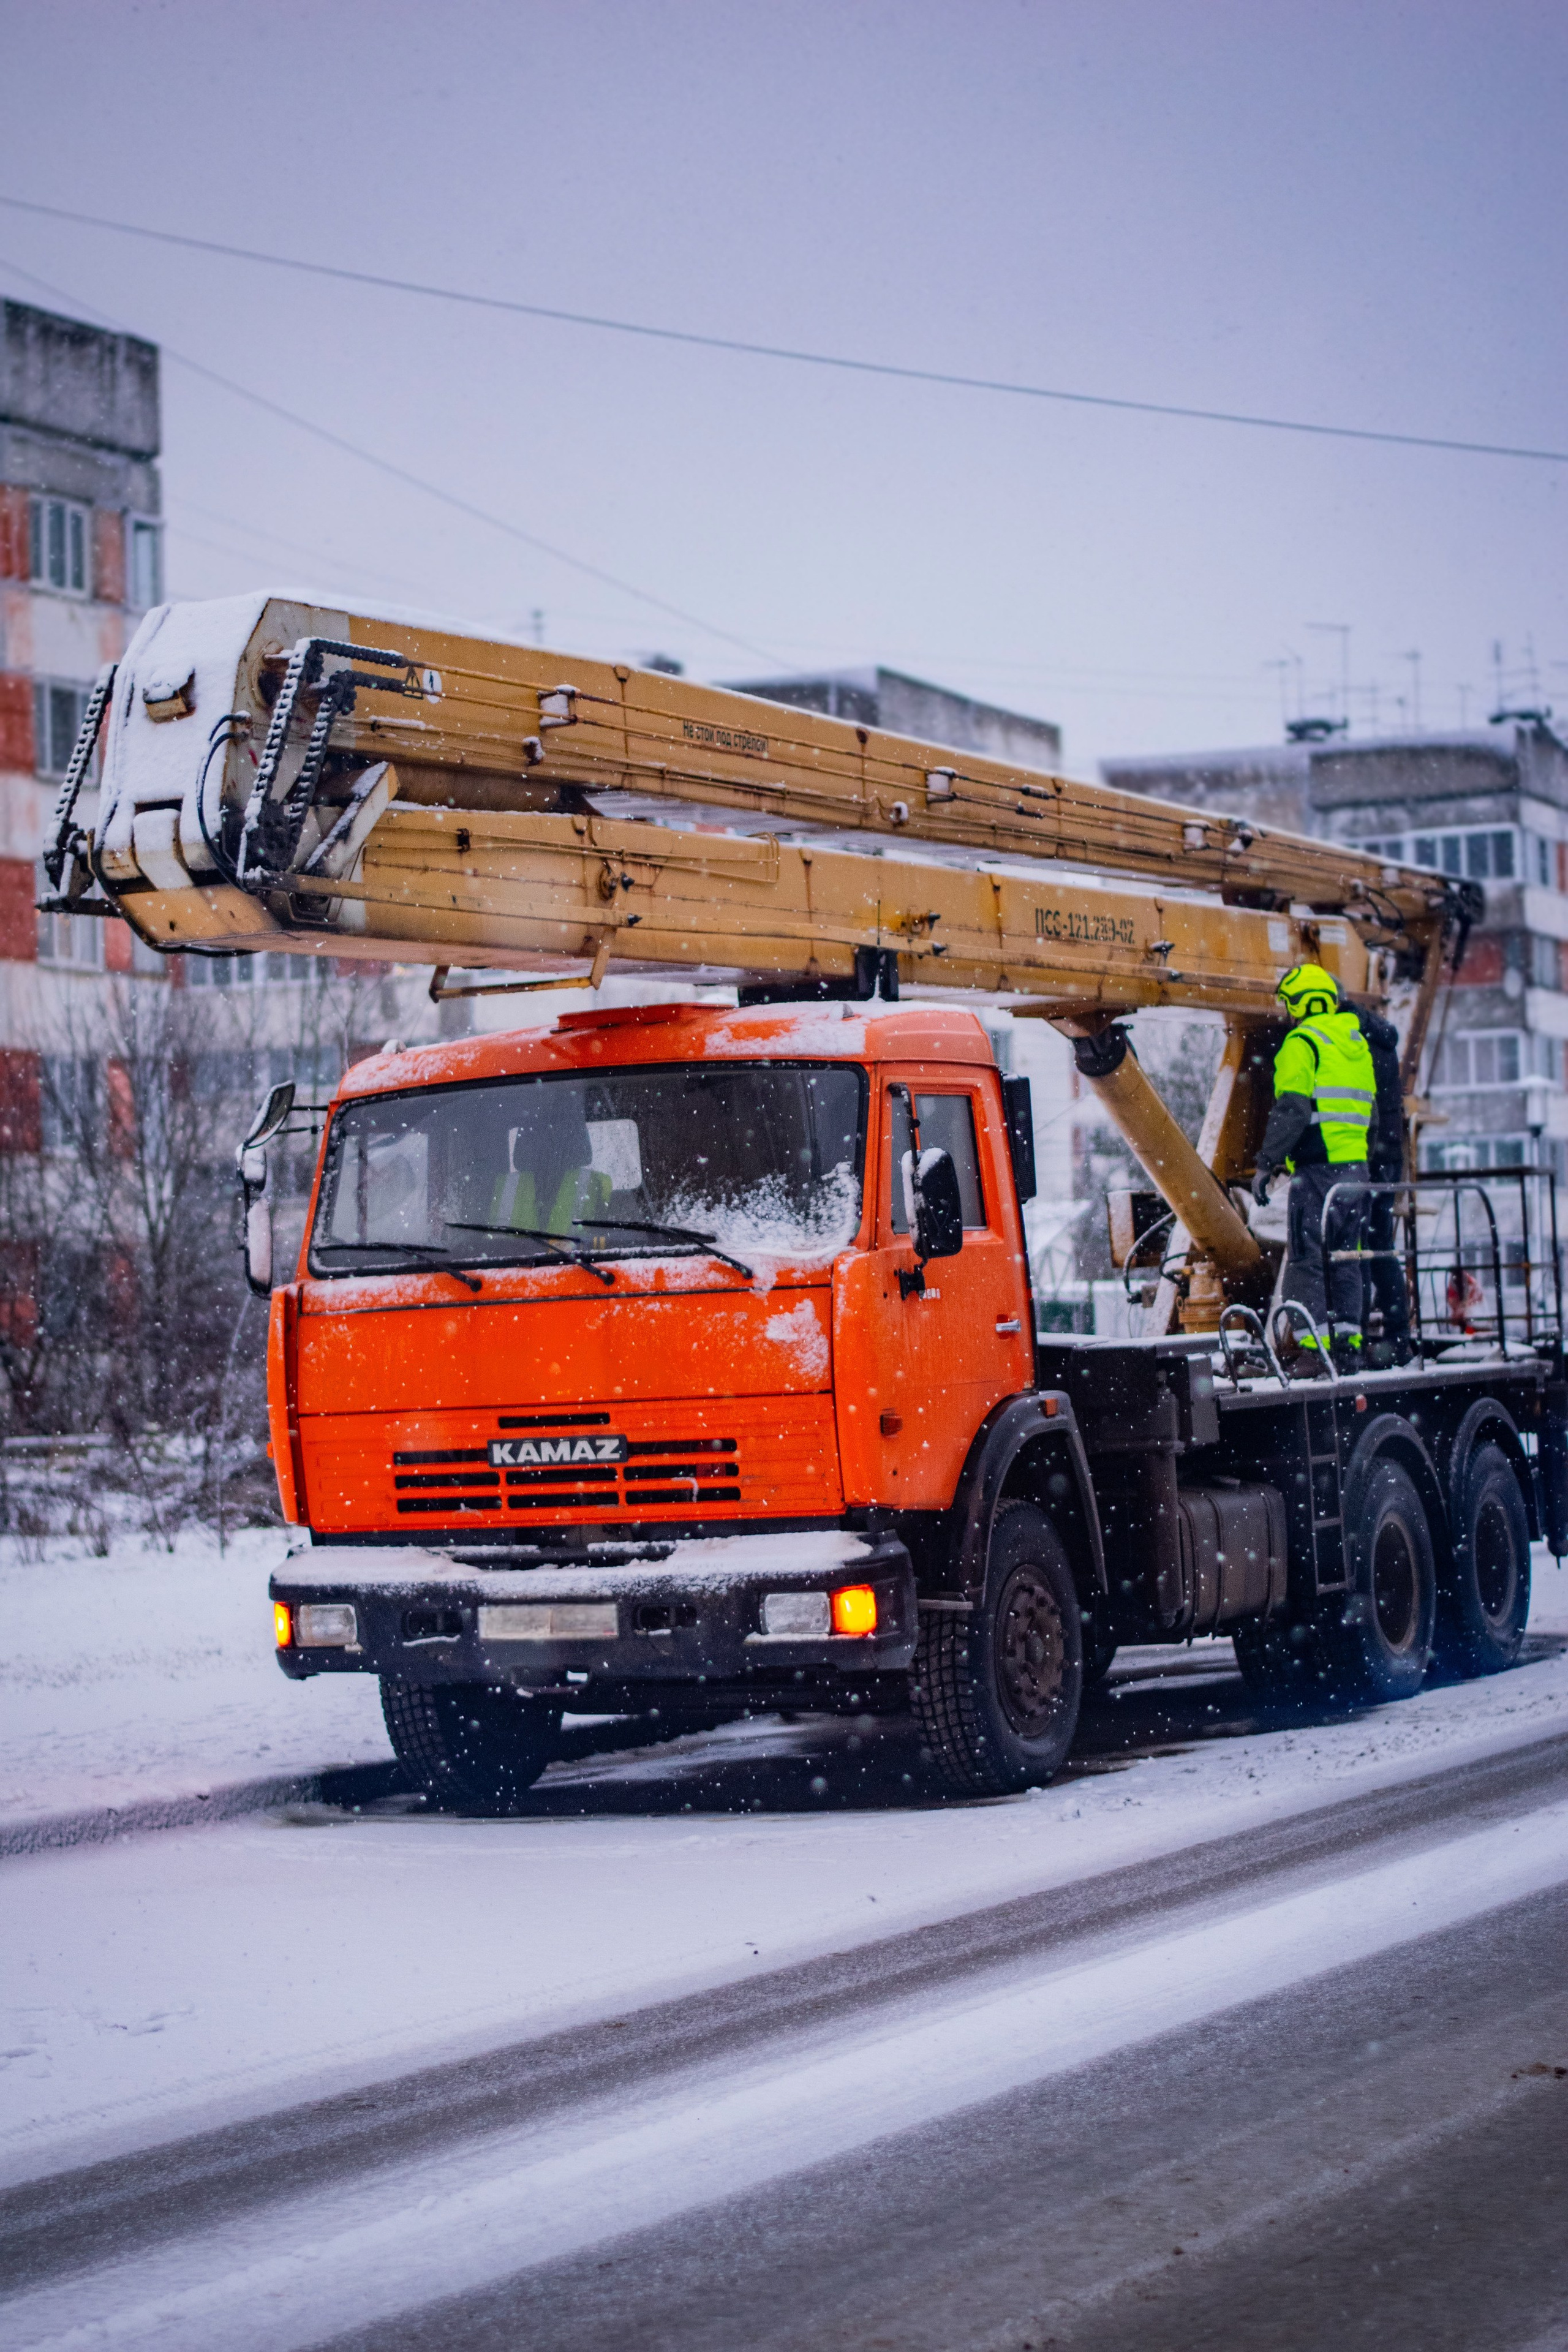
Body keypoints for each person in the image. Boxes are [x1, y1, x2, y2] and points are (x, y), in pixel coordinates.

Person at [1250, 963, 1377, 1370]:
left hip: (1318, 1172)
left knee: (1306, 1261)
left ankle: (1313, 1351)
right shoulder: (1355, 1043)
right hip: (1355, 1171)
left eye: (1289, 1004)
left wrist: (1266, 1163)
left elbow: (1292, 1108)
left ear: (1301, 1003)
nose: (1287, 1014)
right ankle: (1348, 1345)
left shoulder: (1301, 1043)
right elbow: (1372, 1116)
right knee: (1346, 1259)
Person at [1352, 999, 1413, 1363]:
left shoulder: (1353, 1041)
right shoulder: (1381, 1038)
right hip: (1388, 1155)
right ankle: (1397, 1334)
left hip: (1369, 1154)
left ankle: (1355, 1337)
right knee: (1379, 1247)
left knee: (1356, 1250)